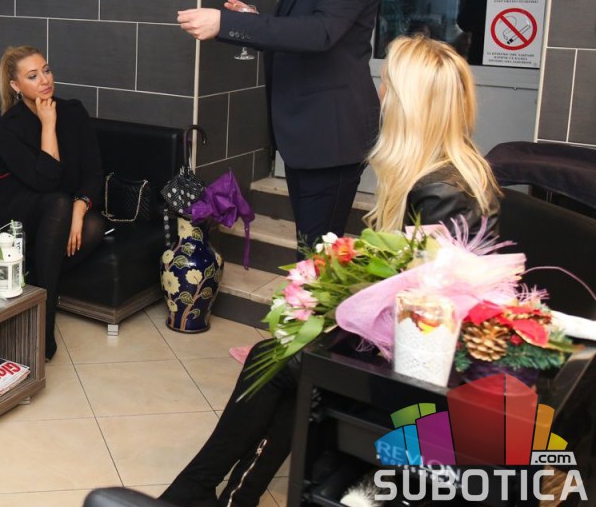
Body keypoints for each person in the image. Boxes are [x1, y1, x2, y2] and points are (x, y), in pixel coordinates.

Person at [160, 36, 501, 507]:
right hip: (412, 342)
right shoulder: (442, 174)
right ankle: (221, 493)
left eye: (388, 85)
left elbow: (425, 307)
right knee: (280, 362)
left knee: (273, 361)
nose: (381, 94)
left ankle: (198, 490)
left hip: (423, 361)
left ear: (411, 103)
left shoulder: (442, 191)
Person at [177, 0, 381, 248]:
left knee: (319, 255)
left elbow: (321, 33)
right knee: (312, 248)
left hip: (331, 137)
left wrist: (226, 23)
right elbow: (304, 30)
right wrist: (254, 22)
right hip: (309, 134)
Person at [0, 46, 105, 361]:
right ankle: (45, 325)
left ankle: (32, 279)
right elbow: (45, 182)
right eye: (32, 76)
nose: (44, 80)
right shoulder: (9, 126)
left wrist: (80, 209)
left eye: (46, 70)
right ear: (15, 85)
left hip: (63, 205)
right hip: (20, 209)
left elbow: (94, 172)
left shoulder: (74, 111)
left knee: (94, 225)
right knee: (57, 201)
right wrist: (48, 125)